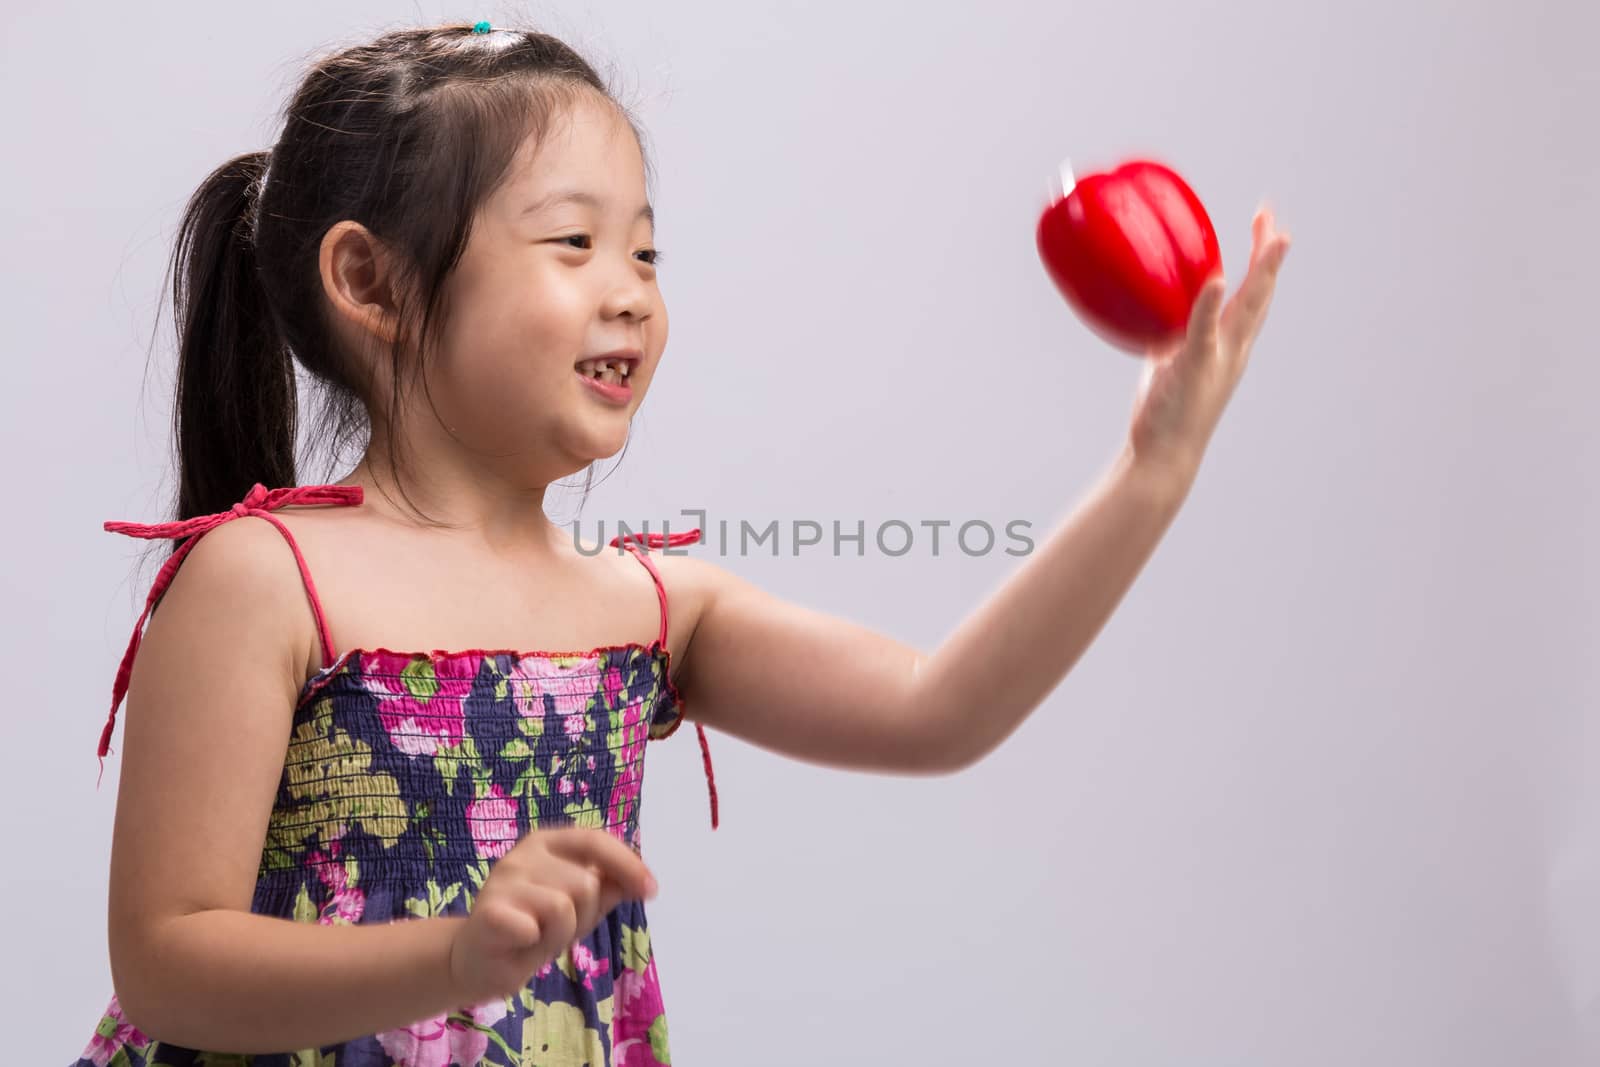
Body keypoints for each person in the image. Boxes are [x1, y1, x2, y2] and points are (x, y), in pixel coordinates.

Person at [71, 18, 1291, 1067]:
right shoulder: (268, 578)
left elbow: (941, 709)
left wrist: (1152, 471)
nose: (631, 290)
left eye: (646, 250)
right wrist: (450, 953)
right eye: (573, 243)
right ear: (371, 283)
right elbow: (169, 958)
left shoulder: (652, 609)